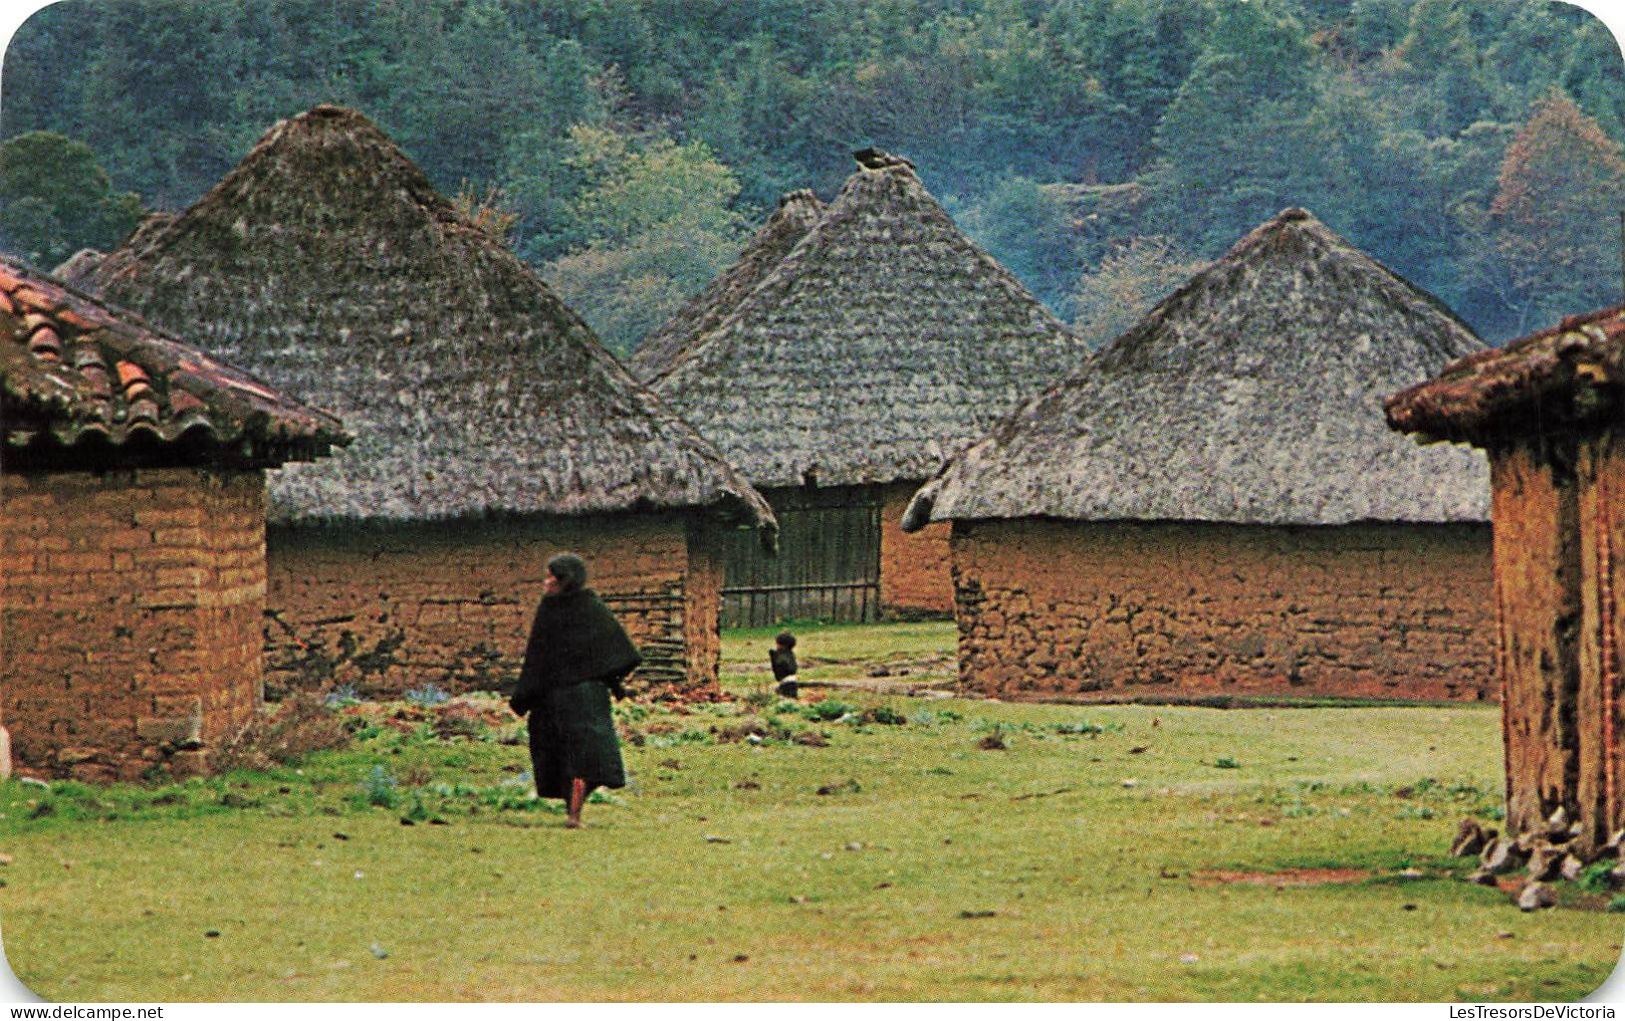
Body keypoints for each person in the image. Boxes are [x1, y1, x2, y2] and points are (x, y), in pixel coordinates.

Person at [508, 553, 640, 828]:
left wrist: (526, 694)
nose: (546, 582)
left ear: (565, 579)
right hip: (569, 696)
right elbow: (618, 651)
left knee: (576, 756)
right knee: (578, 756)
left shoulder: (580, 608)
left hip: (574, 696)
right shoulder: (572, 608)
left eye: (552, 577)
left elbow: (538, 658)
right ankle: (574, 811)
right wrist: (611, 678)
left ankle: (574, 812)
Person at [770, 630, 799, 699]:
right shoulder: (790, 654)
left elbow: (779, 669)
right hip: (791, 682)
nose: (776, 646)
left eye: (778, 644)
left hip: (786, 683)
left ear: (783, 646)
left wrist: (773, 656)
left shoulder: (782, 656)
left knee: (785, 698)